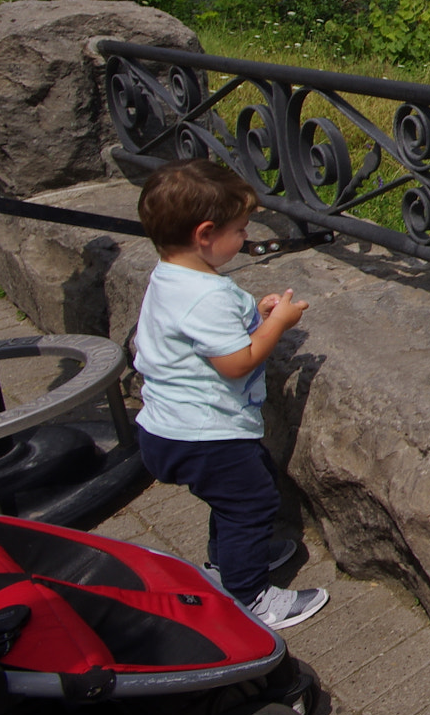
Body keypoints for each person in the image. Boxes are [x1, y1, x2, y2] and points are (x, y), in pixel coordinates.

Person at [132, 157, 328, 629]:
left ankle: (230, 564)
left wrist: (254, 316)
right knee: (251, 503)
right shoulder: (206, 295)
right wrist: (277, 324)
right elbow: (237, 360)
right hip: (206, 434)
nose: (245, 238)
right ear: (205, 234)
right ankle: (249, 594)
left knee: (236, 498)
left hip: (167, 427)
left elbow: (206, 333)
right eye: (240, 230)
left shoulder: (172, 278)